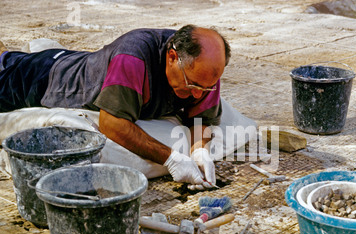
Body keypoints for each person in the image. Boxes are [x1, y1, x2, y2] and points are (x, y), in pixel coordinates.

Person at [0, 25, 231, 190]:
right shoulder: (134, 57)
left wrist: (199, 150)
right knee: (12, 66)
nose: (199, 94)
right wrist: (171, 159)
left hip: (82, 62)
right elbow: (111, 124)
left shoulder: (204, 72)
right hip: (49, 80)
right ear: (172, 57)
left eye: (207, 88)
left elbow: (203, 119)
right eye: (193, 85)